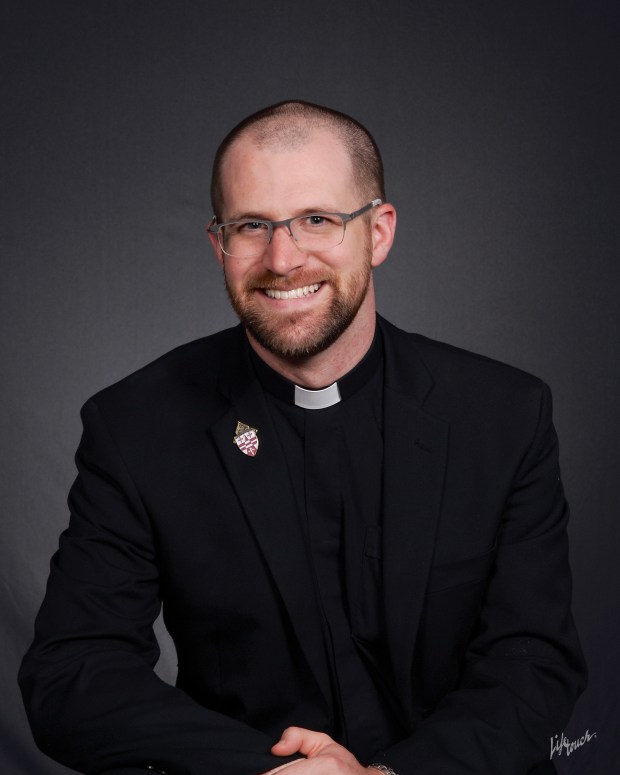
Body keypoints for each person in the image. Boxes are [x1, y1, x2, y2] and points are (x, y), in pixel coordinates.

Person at [19, 100, 586, 775]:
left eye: (317, 219)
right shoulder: (135, 426)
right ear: (217, 243)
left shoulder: (504, 414)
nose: (282, 258)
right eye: (251, 225)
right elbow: (73, 674)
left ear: (378, 232)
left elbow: (534, 663)